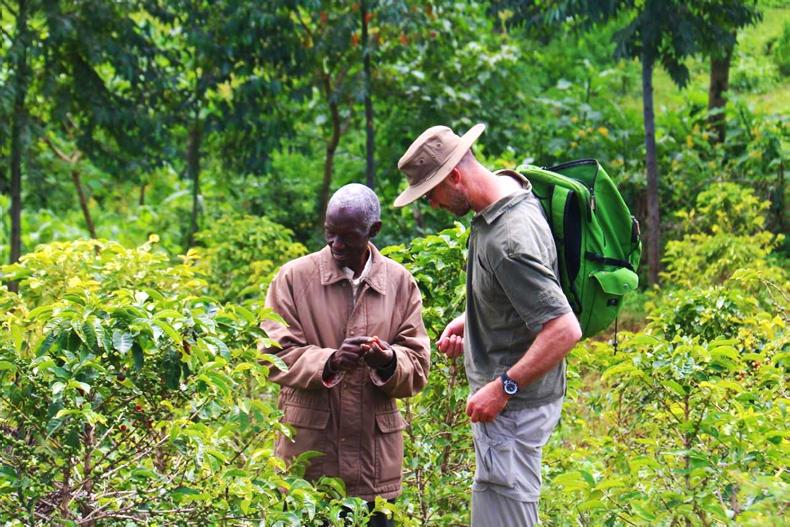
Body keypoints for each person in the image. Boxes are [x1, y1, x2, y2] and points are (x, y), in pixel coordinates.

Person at [394, 124, 582, 526]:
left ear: (455, 177)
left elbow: (564, 329)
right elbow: (524, 289)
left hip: (514, 411)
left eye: (431, 193)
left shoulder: (508, 241)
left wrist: (504, 387)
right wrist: (473, 319)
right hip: (508, 409)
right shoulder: (510, 190)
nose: (431, 204)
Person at [260, 183, 430, 526]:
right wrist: (330, 360)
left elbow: (418, 363)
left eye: (348, 236)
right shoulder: (294, 278)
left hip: (375, 469)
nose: (336, 245)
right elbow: (272, 354)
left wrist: (388, 361)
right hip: (309, 464)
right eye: (329, 233)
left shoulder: (400, 282)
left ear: (373, 231)